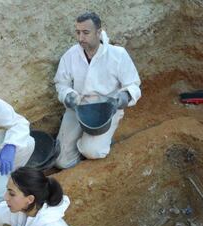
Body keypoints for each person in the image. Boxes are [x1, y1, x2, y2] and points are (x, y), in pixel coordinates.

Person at [54, 12, 141, 169]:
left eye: (86, 33)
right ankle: (83, 141)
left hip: (106, 110)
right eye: (78, 32)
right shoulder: (71, 55)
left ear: (99, 32)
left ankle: (95, 142)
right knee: (61, 161)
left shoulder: (118, 55)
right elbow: (61, 83)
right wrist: (68, 96)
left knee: (92, 152)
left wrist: (123, 97)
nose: (81, 38)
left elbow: (133, 84)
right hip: (78, 108)